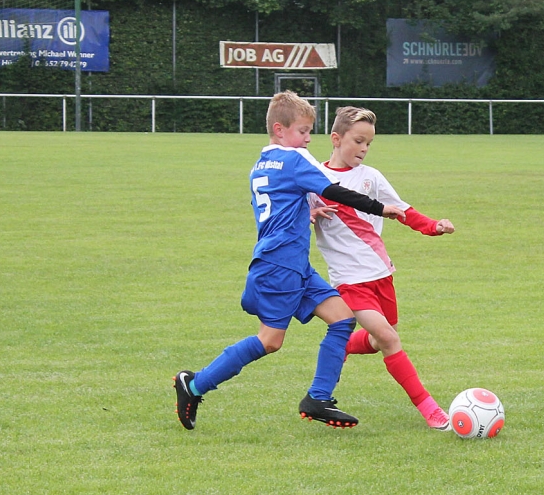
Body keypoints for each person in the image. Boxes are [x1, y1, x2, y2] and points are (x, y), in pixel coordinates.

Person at [172, 91, 406, 430]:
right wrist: (380, 207)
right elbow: (336, 188)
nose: (308, 139)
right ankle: (193, 385)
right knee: (270, 341)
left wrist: (306, 211)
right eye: (303, 131)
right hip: (280, 266)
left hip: (291, 263)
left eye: (311, 131)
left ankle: (318, 398)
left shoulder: (261, 163)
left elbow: (277, 206)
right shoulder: (295, 159)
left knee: (342, 318)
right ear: (279, 129)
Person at [308, 106, 455, 430]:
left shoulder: (371, 177)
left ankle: (340, 346)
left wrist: (434, 226)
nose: (363, 148)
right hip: (350, 282)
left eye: (369, 143)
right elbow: (288, 217)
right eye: (358, 140)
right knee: (389, 339)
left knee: (377, 342)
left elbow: (403, 210)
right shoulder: (314, 179)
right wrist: (308, 215)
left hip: (382, 276)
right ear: (336, 138)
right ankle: (430, 410)